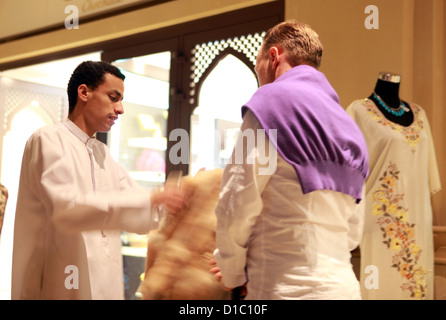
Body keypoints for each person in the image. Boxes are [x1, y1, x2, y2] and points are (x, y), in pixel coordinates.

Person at [210, 20, 370, 299]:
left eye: (258, 62)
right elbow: (354, 230)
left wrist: (232, 271)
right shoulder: (350, 128)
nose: (258, 71)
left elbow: (237, 199)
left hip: (281, 286)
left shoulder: (268, 104)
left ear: (273, 56)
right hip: (343, 287)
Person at [11, 61, 185, 300]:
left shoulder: (102, 153)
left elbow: (140, 214)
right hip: (57, 283)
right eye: (113, 97)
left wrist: (180, 199)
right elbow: (67, 209)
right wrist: (152, 198)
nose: (121, 109)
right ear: (84, 92)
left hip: (105, 285)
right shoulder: (48, 139)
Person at [347, 73, 441, 299]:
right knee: (378, 285)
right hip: (381, 221)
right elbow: (349, 170)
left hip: (418, 218)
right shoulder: (359, 111)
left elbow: (428, 175)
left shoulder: (419, 114)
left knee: (417, 284)